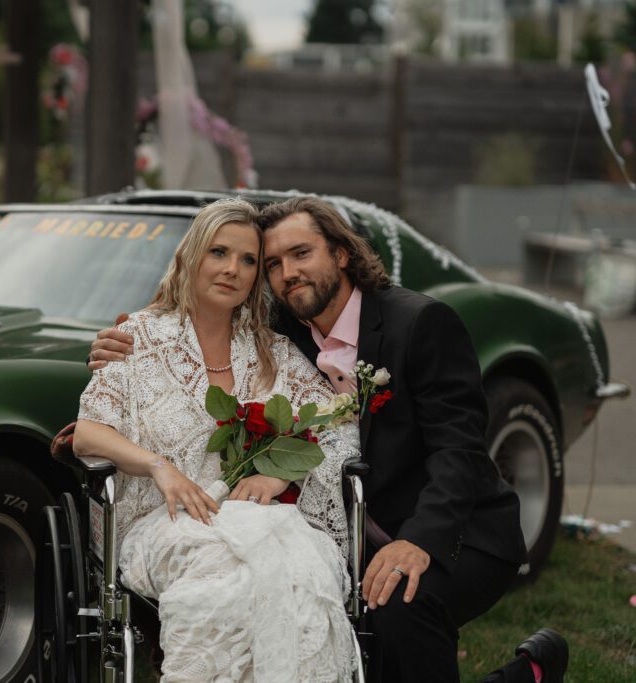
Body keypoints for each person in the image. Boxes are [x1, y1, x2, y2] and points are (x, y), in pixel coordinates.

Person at [90, 196, 568, 683]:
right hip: (351, 533)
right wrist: (119, 352)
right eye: (273, 264)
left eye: (301, 253)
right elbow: (194, 337)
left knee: (396, 611)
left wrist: (417, 542)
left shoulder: (420, 324)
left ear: (341, 253)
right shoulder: (283, 330)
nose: (288, 273)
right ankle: (529, 674)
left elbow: (460, 451)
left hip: (456, 530)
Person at [73, 197, 358, 681]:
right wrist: (159, 467)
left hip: (258, 518)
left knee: (307, 572)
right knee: (224, 576)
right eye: (219, 252)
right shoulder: (138, 338)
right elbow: (87, 433)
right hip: (162, 520)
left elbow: (333, 420)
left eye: (248, 260)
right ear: (191, 257)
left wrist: (276, 475)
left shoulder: (272, 350)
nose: (232, 269)